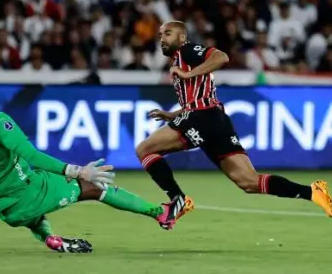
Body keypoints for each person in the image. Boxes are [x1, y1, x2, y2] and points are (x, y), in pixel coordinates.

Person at [0, 73, 180, 253]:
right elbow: (32, 156)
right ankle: (161, 213)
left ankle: (50, 239)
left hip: (4, 210)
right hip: (26, 195)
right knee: (95, 187)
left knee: (32, 204)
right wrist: (78, 171)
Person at [136, 21, 331, 222]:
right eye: (160, 35)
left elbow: (221, 57)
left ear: (182, 37)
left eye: (168, 34)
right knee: (249, 182)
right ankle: (312, 192)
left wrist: (188, 74)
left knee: (145, 150)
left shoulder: (187, 51)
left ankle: (178, 199)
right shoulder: (180, 60)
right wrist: (173, 115)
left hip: (202, 117)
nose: (162, 39)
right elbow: (198, 98)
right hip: (215, 119)